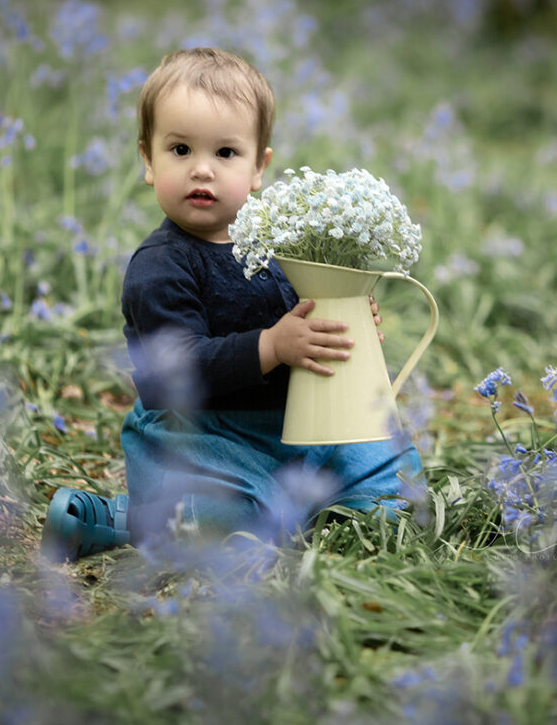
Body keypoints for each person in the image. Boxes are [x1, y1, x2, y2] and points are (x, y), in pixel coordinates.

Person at [41, 47, 421, 560]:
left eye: (225, 153)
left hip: (299, 429)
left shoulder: (283, 247)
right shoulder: (161, 266)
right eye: (179, 150)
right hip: (206, 439)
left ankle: (337, 508)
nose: (202, 170)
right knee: (224, 518)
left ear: (259, 166)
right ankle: (135, 520)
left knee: (390, 474)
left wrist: (342, 322)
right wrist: (270, 346)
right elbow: (172, 372)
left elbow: (305, 327)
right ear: (147, 160)